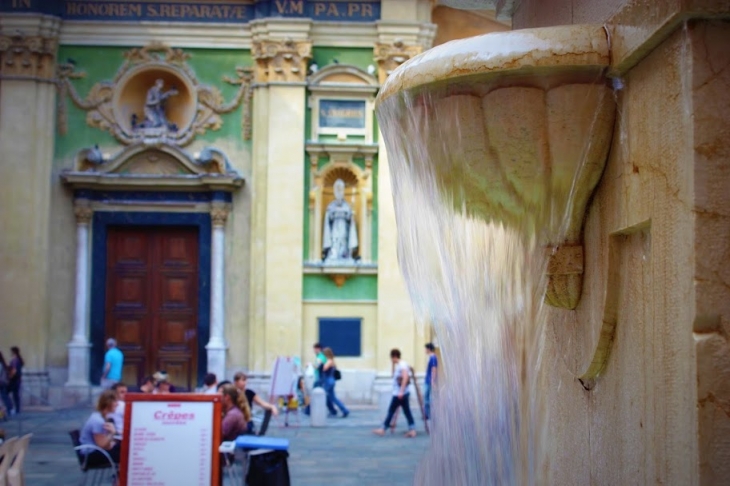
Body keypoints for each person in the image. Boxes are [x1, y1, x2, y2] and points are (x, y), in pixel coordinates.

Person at [373, 349, 416, 438]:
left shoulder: (402, 365)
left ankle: (383, 428)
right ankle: (412, 429)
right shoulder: (399, 365)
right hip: (401, 392)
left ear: (394, 356)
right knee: (406, 411)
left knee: (391, 411)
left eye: (391, 358)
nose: (391, 360)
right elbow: (393, 375)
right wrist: (393, 365)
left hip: (399, 393)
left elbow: (405, 377)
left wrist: (401, 391)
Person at [79, 389, 121, 466]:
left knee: (122, 449)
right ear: (109, 403)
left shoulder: (100, 417)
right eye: (115, 401)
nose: (118, 404)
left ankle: (118, 476)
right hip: (91, 455)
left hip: (96, 452)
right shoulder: (98, 420)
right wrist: (112, 433)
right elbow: (102, 445)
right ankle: (118, 477)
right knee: (125, 454)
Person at [322, 178, 358, 263]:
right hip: (334, 228)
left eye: (341, 189)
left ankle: (344, 254)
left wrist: (350, 215)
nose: (339, 192)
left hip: (344, 228)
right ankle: (334, 253)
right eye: (337, 190)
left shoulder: (347, 205)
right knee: (334, 239)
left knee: (343, 239)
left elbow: (350, 218)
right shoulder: (331, 205)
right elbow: (329, 218)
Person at [322, 347, 349, 418]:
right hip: (330, 380)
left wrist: (322, 363)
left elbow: (324, 368)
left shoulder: (329, 361)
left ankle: (339, 410)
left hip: (329, 380)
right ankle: (339, 410)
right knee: (331, 397)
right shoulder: (331, 361)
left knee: (326, 396)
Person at [7, 347, 23, 415]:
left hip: (14, 380)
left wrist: (9, 376)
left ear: (13, 352)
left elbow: (14, 370)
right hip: (17, 380)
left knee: (4, 393)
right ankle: (16, 409)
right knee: (15, 395)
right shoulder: (17, 359)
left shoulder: (15, 360)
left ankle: (13, 409)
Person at [424, 342, 438, 420]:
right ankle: (427, 414)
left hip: (429, 381)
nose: (424, 350)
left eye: (425, 348)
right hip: (428, 380)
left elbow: (434, 369)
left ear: (429, 349)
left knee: (427, 398)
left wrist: (433, 381)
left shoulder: (433, 358)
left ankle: (428, 414)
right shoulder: (431, 357)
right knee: (426, 397)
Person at [0, 352, 12, 417]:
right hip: (3, 383)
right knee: (4, 397)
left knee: (3, 397)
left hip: (1, 383)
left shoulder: (0, 364)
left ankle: (7, 411)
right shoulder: (3, 364)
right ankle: (8, 411)